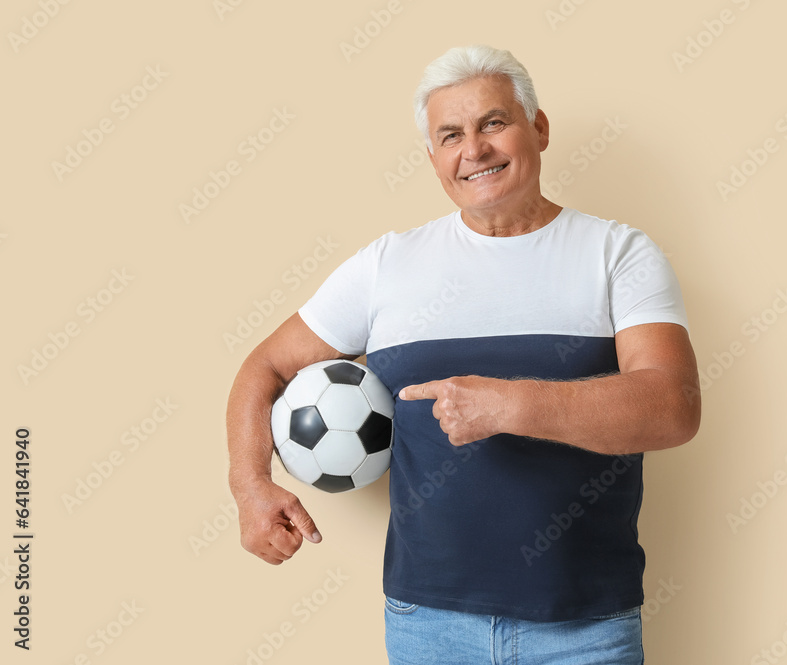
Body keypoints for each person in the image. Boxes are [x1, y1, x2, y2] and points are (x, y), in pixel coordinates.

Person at [227, 44, 701, 664]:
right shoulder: (386, 266)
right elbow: (263, 368)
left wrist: (510, 403)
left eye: (493, 123)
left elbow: (673, 406)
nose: (472, 150)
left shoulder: (618, 255)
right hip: (428, 626)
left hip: (584, 627)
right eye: (449, 135)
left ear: (540, 129)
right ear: (432, 158)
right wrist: (249, 486)